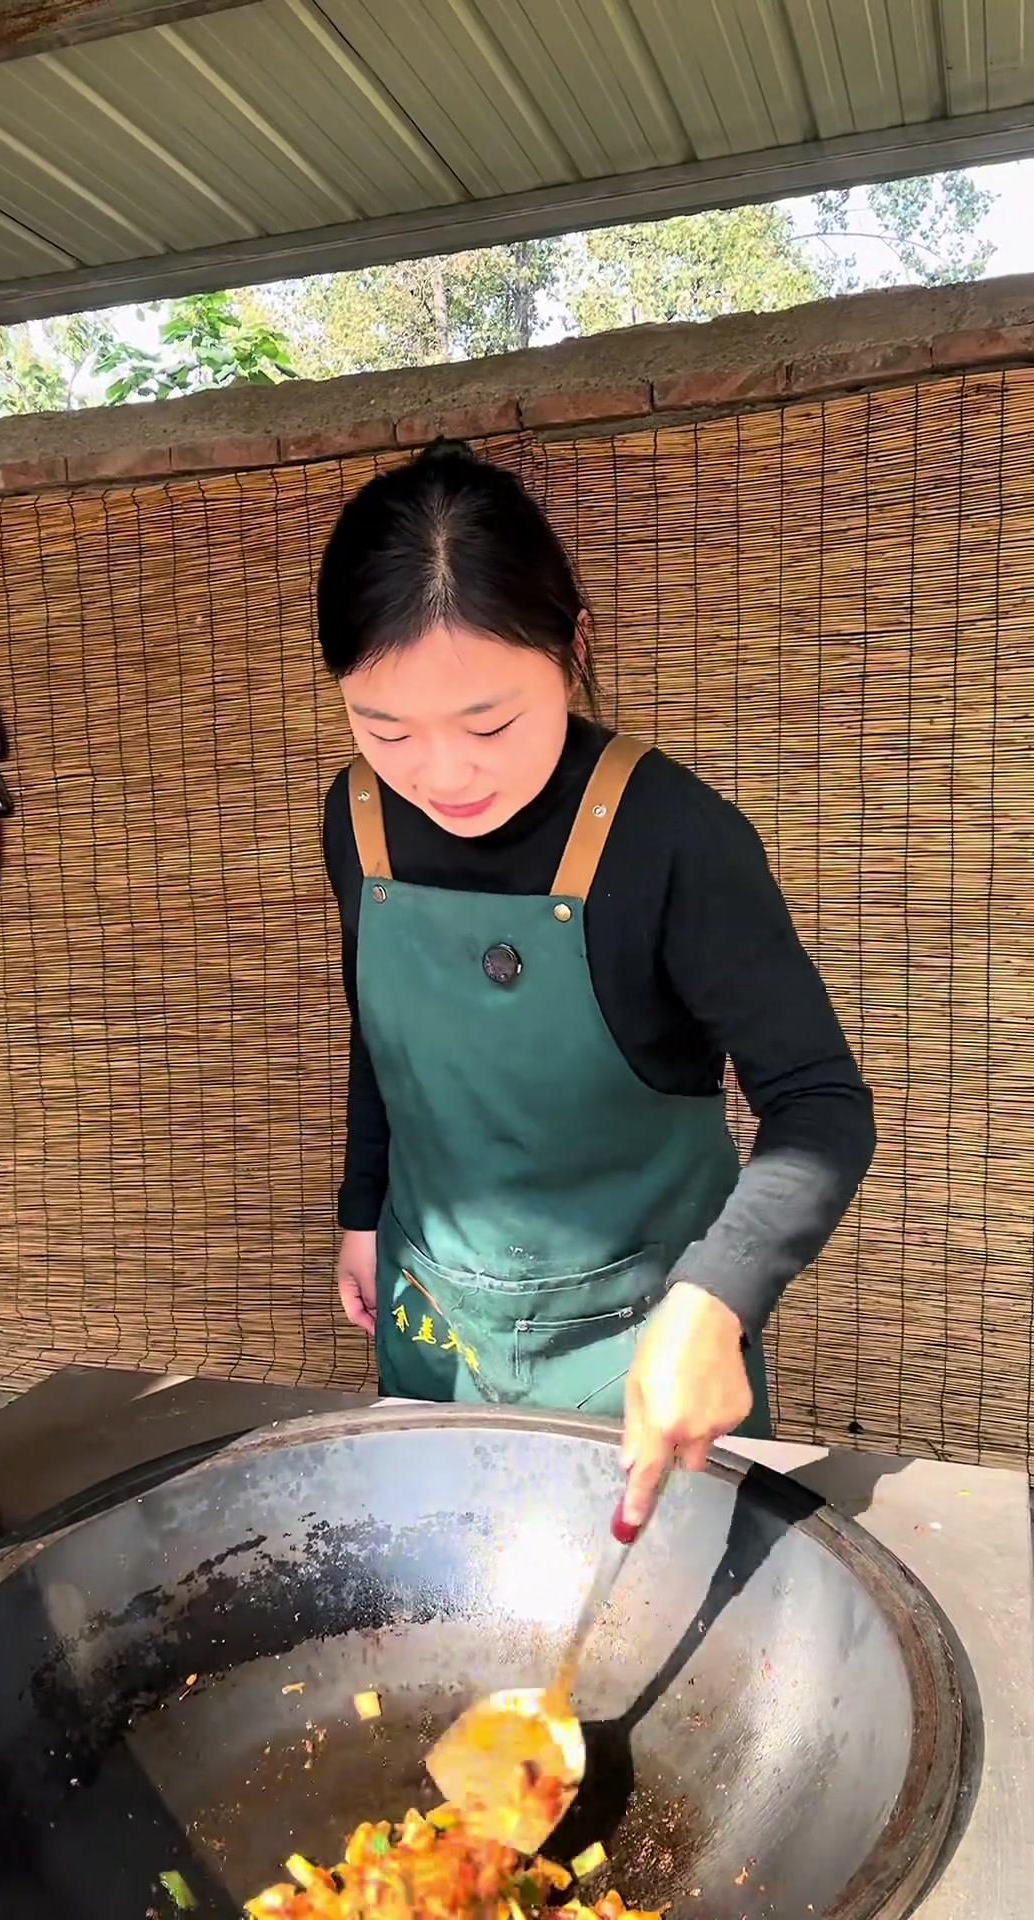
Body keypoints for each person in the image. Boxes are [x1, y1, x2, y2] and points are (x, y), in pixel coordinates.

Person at [319, 440, 875, 1528]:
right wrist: (362, 1210)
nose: (442, 773)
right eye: (385, 728)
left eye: (490, 724)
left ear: (572, 652)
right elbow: (382, 1032)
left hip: (639, 1342)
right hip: (430, 1314)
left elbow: (820, 1104)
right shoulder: (359, 819)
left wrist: (720, 1297)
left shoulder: (675, 838)